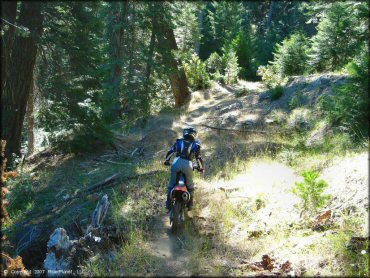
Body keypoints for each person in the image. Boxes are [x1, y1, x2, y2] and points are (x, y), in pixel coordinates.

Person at [164, 127, 205, 211]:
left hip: (176, 162)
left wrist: (167, 161)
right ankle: (190, 205)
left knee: (171, 185)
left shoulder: (179, 141)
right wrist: (201, 168)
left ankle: (168, 204)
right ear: (194, 134)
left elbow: (170, 152)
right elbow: (198, 158)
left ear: (184, 133)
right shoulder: (195, 144)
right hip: (188, 165)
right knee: (190, 187)